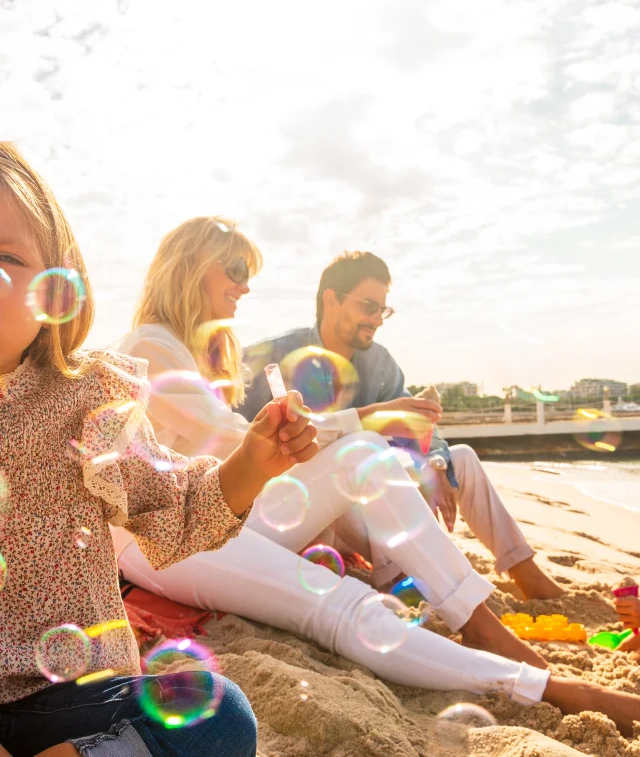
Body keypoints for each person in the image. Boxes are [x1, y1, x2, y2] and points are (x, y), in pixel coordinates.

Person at [113, 216, 640, 735]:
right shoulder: (149, 347)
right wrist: (366, 416)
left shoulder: (201, 352)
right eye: (233, 269)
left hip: (219, 513)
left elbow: (245, 466)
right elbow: (234, 441)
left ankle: (477, 622)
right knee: (340, 605)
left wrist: (376, 444)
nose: (244, 286)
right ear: (188, 267)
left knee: (365, 454)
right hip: (165, 536)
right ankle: (546, 687)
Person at [0, 144, 317, 757]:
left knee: (217, 715)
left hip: (65, 697)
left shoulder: (84, 400)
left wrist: (252, 462)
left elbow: (175, 504)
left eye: (5, 256)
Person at [239, 250, 563, 601]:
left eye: (383, 310)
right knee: (359, 460)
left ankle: (524, 571)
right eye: (368, 306)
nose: (377, 319)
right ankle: (400, 584)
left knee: (462, 458)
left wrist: (436, 461)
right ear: (331, 300)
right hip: (304, 508)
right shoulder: (271, 358)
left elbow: (416, 424)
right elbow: (242, 442)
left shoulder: (378, 361)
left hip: (366, 508)